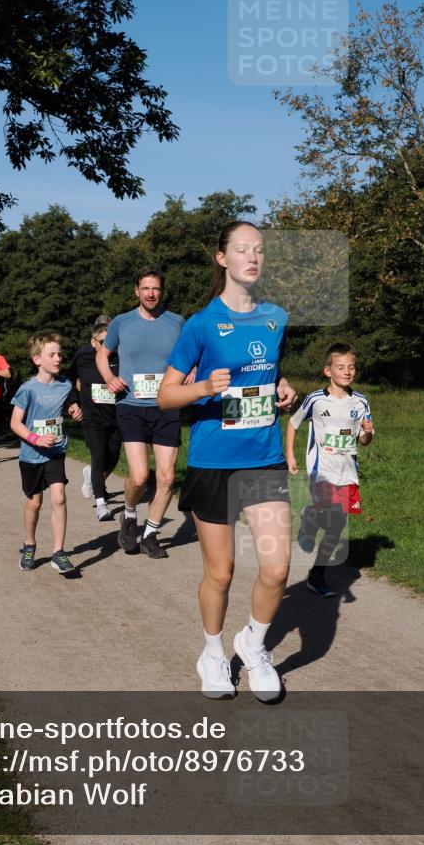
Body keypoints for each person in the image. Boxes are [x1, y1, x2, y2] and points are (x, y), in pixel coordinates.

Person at [158, 222, 298, 701]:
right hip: (214, 461)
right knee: (221, 572)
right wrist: (202, 388)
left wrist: (282, 389)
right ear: (223, 259)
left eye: (258, 250)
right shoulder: (199, 324)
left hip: (263, 457)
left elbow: (269, 374)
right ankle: (213, 652)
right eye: (241, 250)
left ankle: (253, 645)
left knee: (277, 568)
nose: (252, 257)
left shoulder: (276, 317)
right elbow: (164, 395)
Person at [96, 266, 184, 559]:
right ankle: (130, 513)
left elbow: (191, 358)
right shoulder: (122, 322)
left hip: (167, 406)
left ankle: (150, 533)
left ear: (162, 291)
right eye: (145, 288)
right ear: (137, 291)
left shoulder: (177, 323)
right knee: (138, 476)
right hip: (132, 405)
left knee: (168, 477)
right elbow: (102, 354)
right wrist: (109, 377)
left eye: (156, 288)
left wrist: (192, 375)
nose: (151, 293)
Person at [285, 343, 374, 598]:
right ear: (328, 370)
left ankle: (317, 574)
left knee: (337, 527)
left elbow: (363, 441)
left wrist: (367, 433)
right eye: (340, 367)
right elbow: (292, 424)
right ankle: (309, 518)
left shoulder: (361, 402)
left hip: (347, 473)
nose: (347, 371)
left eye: (351, 367)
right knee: (332, 515)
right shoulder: (315, 399)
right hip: (320, 469)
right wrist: (291, 455)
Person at [10, 331, 83, 575]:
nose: (58, 358)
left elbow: (70, 398)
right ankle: (29, 545)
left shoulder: (64, 385)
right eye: (51, 354)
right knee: (35, 502)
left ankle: (58, 552)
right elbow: (15, 423)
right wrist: (36, 438)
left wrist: (74, 408)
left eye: (59, 354)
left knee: (59, 496)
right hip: (31, 455)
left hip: (55, 451)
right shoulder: (27, 389)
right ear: (37, 359)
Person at [70, 322, 122, 522]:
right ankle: (101, 504)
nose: (109, 345)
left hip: (116, 415)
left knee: (114, 456)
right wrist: (73, 403)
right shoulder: (82, 357)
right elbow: (68, 379)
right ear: (93, 342)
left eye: (112, 341)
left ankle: (92, 475)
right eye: (103, 342)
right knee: (98, 454)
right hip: (92, 416)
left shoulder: (119, 357)